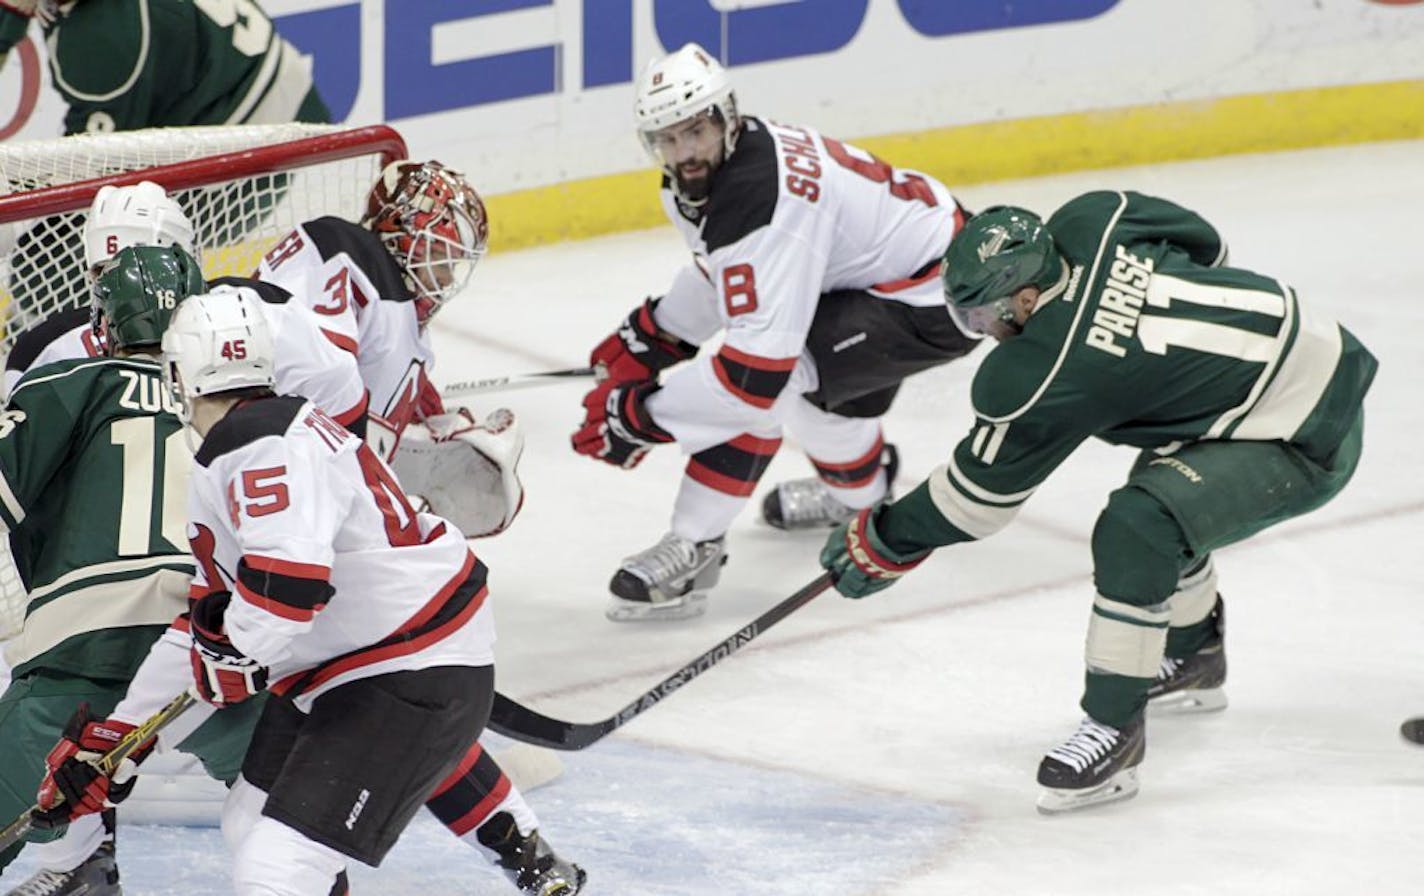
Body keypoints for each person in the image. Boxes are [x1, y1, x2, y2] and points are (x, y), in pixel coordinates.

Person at [818, 192, 1377, 814]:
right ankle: (1194, 653)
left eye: (983, 316)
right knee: (1167, 488)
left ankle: (1115, 731)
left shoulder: (1041, 369)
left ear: (1025, 299)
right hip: (1320, 351)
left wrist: (887, 537)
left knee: (1140, 524)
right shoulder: (1097, 217)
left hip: (1304, 433)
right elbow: (1206, 243)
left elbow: (975, 501)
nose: (981, 332)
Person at [32, 287, 497, 895]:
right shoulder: (254, 439)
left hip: (406, 671)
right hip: (362, 665)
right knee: (251, 818)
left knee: (278, 865)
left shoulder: (259, 443)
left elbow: (285, 594)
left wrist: (236, 651)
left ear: (180, 371)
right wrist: (122, 735)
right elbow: (210, 620)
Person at [572, 43, 979, 622]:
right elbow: (730, 272)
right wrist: (656, 333)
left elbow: (753, 381)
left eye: (696, 132)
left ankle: (694, 545)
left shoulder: (759, 199)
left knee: (775, 389)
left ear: (727, 118)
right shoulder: (713, 176)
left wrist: (639, 417)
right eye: (667, 138)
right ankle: (864, 501)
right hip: (888, 272)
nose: (684, 152)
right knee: (824, 408)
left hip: (934, 296)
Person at [0, 246, 264, 892]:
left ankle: (84, 862)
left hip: (77, 658)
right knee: (286, 820)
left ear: (107, 321)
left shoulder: (64, 383)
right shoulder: (244, 407)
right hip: (204, 653)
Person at [256, 158, 524, 541]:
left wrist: (422, 422)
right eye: (439, 254)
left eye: (455, 263)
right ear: (400, 231)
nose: (447, 277)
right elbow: (318, 380)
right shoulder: (348, 252)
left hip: (292, 487)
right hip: (271, 477)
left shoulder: (405, 325)